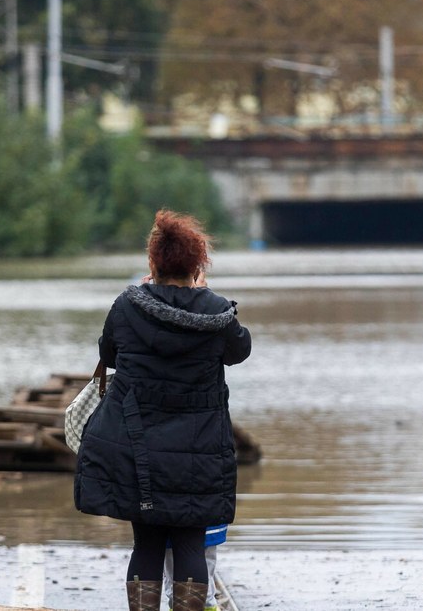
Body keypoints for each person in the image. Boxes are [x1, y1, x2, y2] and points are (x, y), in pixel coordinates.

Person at [75, 209, 252, 611]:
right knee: (190, 541)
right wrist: (203, 295)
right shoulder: (217, 312)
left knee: (147, 543)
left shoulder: (126, 306)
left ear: (153, 263)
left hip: (139, 447)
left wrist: (144, 296)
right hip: (200, 449)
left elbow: (109, 354)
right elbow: (239, 351)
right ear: (197, 266)